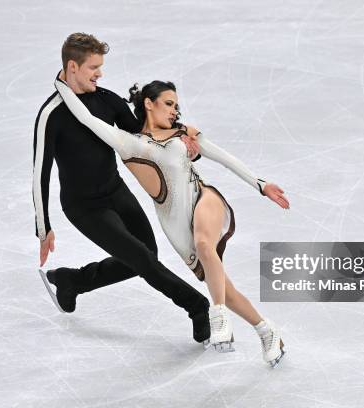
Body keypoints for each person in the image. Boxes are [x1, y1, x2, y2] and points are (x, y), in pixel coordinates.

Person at [53, 77, 290, 367]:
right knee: (223, 287)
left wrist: (260, 183)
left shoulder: (183, 134)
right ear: (148, 104)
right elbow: (87, 119)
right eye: (168, 104)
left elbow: (223, 157)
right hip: (175, 224)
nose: (174, 111)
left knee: (205, 244)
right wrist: (62, 82)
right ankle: (266, 330)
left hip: (204, 199)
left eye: (176, 106)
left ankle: (218, 318)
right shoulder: (128, 144)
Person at [32, 33, 211, 346]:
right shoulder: (52, 115)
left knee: (145, 255)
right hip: (84, 207)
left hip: (116, 192)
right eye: (94, 68)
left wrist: (182, 138)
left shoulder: (105, 99)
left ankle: (72, 280)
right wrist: (43, 227)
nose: (100, 74)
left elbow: (143, 137)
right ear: (72, 67)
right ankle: (197, 306)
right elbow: (39, 173)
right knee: (141, 258)